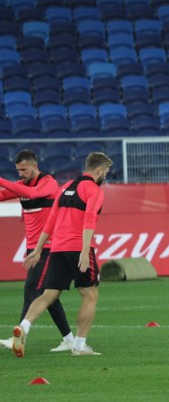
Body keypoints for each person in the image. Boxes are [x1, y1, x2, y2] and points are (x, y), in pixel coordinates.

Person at [9, 152, 113, 358]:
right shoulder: (93, 189)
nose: (106, 176)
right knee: (89, 295)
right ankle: (80, 346)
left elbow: (51, 221)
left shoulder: (65, 187)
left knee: (48, 295)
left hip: (56, 248)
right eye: (106, 172)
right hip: (78, 247)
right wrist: (85, 250)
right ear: (99, 170)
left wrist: (38, 249)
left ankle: (24, 327)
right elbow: (89, 219)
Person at [0, 150, 76, 352]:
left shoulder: (48, 182)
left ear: (35, 166)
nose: (21, 174)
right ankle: (69, 340)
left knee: (32, 288)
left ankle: (19, 336)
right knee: (49, 296)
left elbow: (32, 194)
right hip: (34, 247)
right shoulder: (22, 186)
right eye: (18, 170)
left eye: (24, 169)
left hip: (49, 247)